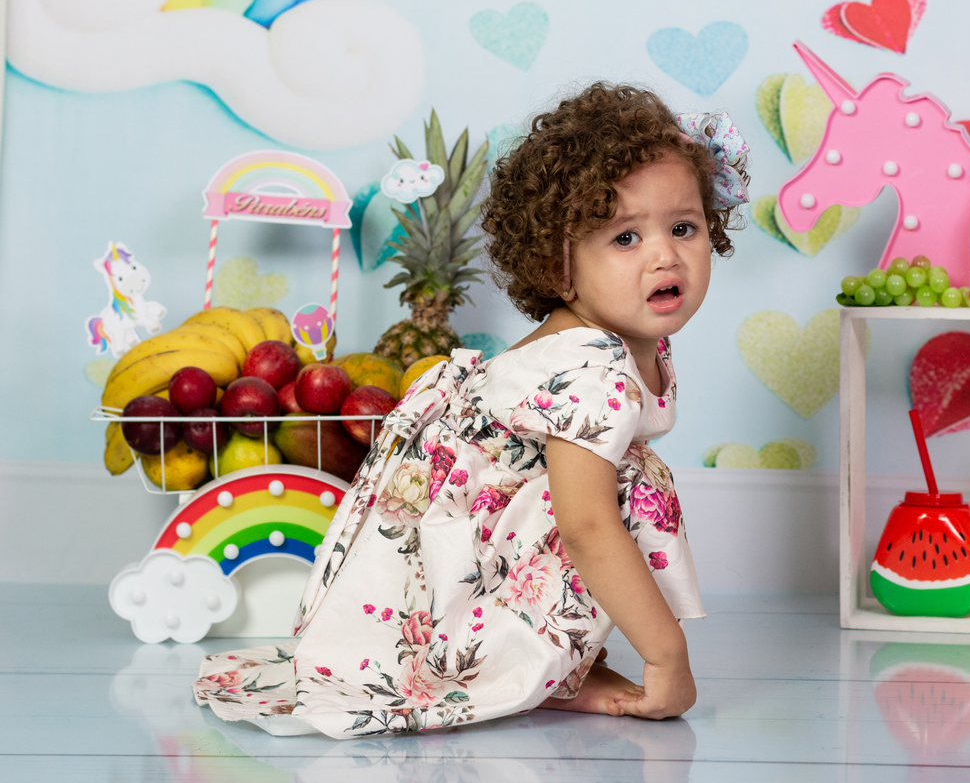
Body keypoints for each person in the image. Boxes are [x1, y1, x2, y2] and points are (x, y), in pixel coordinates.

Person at [193, 82, 749, 739]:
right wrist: (667, 656)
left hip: (473, 534)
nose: (664, 254)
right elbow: (586, 528)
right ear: (560, 268)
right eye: (625, 237)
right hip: (448, 563)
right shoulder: (592, 366)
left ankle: (555, 663)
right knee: (612, 495)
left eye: (683, 227)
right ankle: (516, 666)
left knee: (618, 477)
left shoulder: (618, 342)